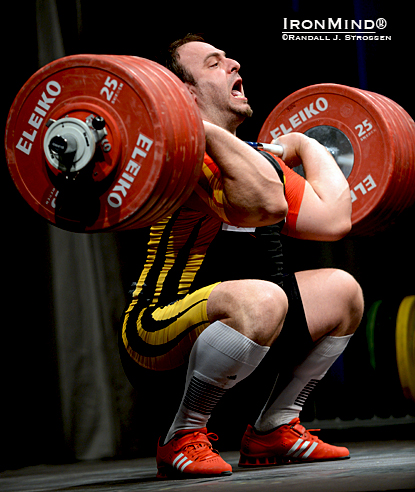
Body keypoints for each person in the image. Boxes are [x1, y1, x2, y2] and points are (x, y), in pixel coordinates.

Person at [119, 34, 364, 479]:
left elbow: (334, 220)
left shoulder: (254, 158)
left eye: (229, 58)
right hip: (159, 335)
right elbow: (260, 204)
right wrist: (194, 126)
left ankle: (274, 425)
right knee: (262, 298)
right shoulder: (182, 154)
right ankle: (180, 435)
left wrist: (306, 144)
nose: (233, 64)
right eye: (213, 63)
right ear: (185, 93)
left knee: (343, 291)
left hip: (247, 329)